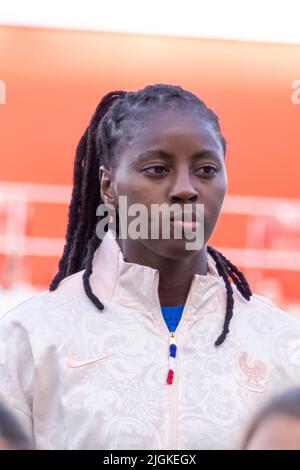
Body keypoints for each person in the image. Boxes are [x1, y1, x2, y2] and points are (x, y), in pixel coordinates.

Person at [0, 83, 299, 450]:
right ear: (108, 186)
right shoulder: (31, 336)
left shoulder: (283, 343)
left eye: (206, 169)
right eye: (158, 169)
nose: (186, 189)